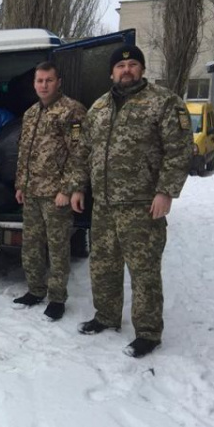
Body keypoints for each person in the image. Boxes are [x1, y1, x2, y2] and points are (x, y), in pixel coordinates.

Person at [70, 44, 192, 358]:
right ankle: (106, 316)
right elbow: (84, 152)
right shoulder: (98, 109)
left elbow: (179, 150)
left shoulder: (163, 102)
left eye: (133, 65)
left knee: (144, 270)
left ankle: (148, 333)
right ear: (112, 72)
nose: (127, 70)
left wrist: (166, 191)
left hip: (142, 205)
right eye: (121, 67)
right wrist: (78, 187)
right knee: (103, 266)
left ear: (141, 70)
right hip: (105, 205)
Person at [13, 61, 87, 321]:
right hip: (32, 192)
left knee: (57, 248)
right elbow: (24, 153)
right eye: (39, 81)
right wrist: (20, 184)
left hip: (56, 195)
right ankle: (35, 290)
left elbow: (80, 153)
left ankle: (56, 298)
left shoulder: (72, 111)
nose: (43, 85)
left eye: (48, 80)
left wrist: (68, 189)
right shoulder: (31, 113)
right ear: (34, 83)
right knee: (31, 245)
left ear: (58, 82)